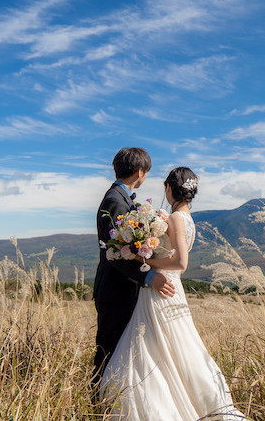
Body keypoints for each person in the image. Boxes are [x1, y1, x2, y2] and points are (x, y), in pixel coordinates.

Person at [101, 167, 246, 420]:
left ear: (169, 188)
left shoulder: (176, 218)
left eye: (165, 188)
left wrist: (143, 260)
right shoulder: (186, 219)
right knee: (173, 345)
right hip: (169, 288)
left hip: (162, 287)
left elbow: (180, 263)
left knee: (157, 346)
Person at [92, 147, 176, 394]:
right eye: (146, 172)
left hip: (121, 290)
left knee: (118, 351)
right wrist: (149, 277)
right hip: (115, 292)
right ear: (140, 172)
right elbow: (115, 254)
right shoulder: (115, 201)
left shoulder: (122, 198)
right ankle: (98, 404)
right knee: (108, 352)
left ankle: (113, 399)